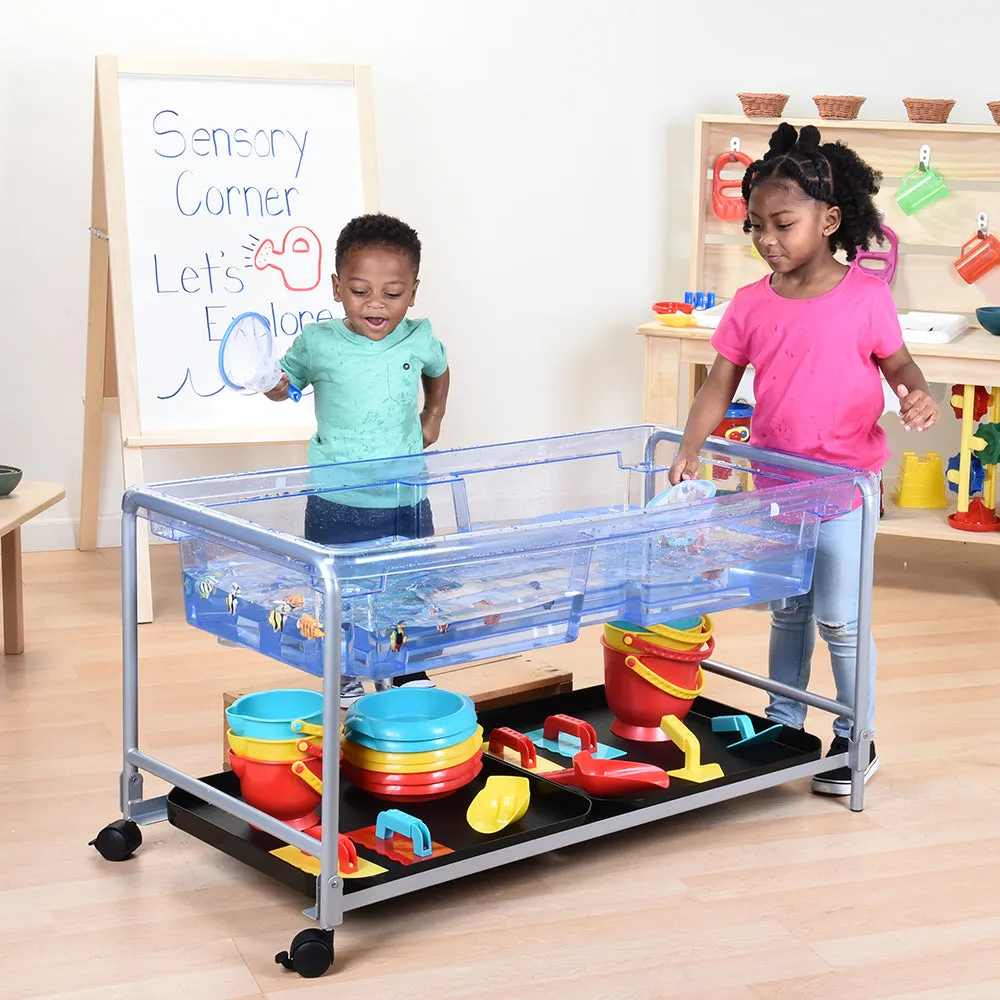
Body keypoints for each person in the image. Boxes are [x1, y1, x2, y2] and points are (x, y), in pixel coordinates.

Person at [669, 122, 939, 795]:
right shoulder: (751, 305)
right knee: (788, 608)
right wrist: (689, 448)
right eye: (756, 225)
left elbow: (901, 365)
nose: (766, 239)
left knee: (839, 620)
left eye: (782, 224)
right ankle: (782, 722)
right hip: (778, 490)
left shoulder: (866, 297)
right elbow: (718, 385)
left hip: (847, 490)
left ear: (830, 220)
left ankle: (855, 736)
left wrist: (917, 397)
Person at [266, 213, 450, 706]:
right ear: (336, 288)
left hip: (406, 493)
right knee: (340, 587)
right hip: (336, 495)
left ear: (413, 290)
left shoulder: (418, 337)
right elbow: (285, 385)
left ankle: (405, 665)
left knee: (409, 582)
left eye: (392, 293)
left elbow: (440, 368)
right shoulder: (317, 343)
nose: (375, 304)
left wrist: (434, 415)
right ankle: (343, 667)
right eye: (359, 290)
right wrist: (272, 384)